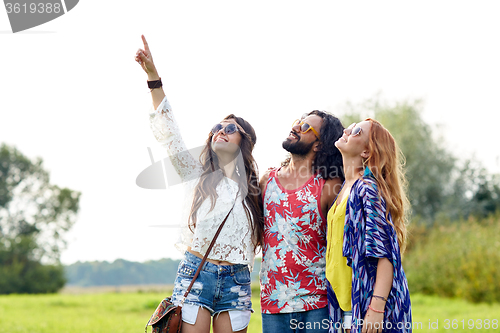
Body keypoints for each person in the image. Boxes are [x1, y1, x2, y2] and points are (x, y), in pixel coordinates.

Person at [135, 35, 264, 333]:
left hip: (238, 279)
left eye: (230, 128)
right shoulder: (195, 173)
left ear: (245, 141)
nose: (221, 131)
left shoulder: (259, 187)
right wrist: (154, 78)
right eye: (217, 127)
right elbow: (169, 132)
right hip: (197, 273)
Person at [259, 111, 345, 333]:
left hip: (317, 302)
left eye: (306, 127)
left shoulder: (329, 185)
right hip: (273, 302)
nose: (296, 127)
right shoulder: (266, 181)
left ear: (318, 145)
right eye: (297, 122)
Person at [328, 120, 412, 333]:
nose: (346, 130)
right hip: (345, 303)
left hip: (367, 304)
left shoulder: (367, 189)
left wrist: (376, 308)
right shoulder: (346, 187)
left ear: (366, 151)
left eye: (356, 131)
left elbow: (385, 255)